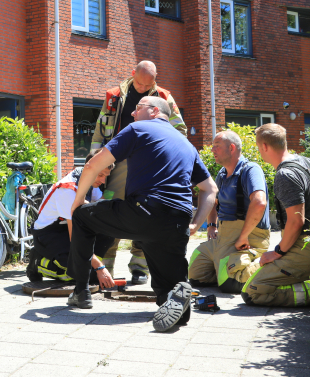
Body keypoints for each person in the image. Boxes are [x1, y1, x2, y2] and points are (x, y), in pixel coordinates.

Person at [67, 96, 218, 333]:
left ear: (154, 111)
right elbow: (210, 189)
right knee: (168, 291)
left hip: (145, 211)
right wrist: (196, 224)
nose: (132, 114)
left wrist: (77, 204)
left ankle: (81, 291)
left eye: (137, 109)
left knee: (82, 217)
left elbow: (92, 165)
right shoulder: (187, 144)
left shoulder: (138, 129)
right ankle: (176, 302)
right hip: (178, 221)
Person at [90, 61, 187, 285]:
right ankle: (105, 268)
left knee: (146, 210)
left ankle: (140, 267)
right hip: (118, 161)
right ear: (133, 74)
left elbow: (180, 130)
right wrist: (96, 162)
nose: (143, 88)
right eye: (140, 84)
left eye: (148, 85)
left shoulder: (164, 97)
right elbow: (99, 131)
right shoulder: (114, 96)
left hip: (150, 163)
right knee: (111, 209)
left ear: (155, 79)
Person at [241, 123, 310, 307]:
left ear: (264, 146)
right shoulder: (306, 162)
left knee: (253, 291)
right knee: (252, 277)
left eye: (258, 147)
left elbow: (296, 221)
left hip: (304, 246)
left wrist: (277, 252)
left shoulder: (285, 174)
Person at [188, 131, 270, 293]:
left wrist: (244, 236)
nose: (212, 150)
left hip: (248, 237)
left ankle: (267, 261)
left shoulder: (250, 170)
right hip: (223, 237)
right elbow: (213, 199)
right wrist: (211, 225)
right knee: (196, 275)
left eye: (217, 146)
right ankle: (224, 266)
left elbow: (259, 202)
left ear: (232, 148)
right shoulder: (223, 173)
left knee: (229, 284)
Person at [26, 154, 116, 290]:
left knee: (109, 232)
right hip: (48, 235)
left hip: (65, 230)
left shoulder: (88, 178)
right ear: (89, 168)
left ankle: (87, 265)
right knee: (77, 273)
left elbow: (100, 207)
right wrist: (100, 267)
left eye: (106, 175)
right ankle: (37, 262)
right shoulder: (68, 191)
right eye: (101, 175)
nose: (103, 181)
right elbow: (76, 239)